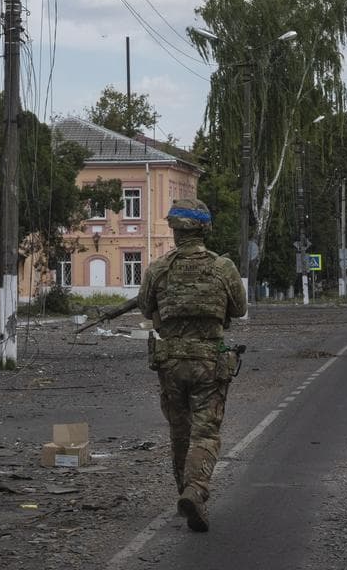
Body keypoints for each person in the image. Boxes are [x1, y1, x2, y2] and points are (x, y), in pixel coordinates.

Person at [90, 198, 245, 532]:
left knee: (179, 430)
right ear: (205, 228)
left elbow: (146, 308)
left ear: (174, 230)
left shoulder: (158, 269)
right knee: (205, 431)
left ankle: (183, 492)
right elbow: (240, 308)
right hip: (209, 361)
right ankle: (195, 489)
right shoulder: (223, 267)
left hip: (170, 362)